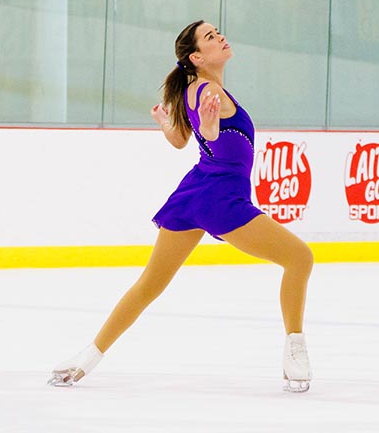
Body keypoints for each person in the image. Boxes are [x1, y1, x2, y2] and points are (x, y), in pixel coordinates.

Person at [48, 20, 314, 392]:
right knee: (300, 259)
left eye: (217, 32)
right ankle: (294, 353)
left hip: (195, 193)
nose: (220, 37)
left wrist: (165, 123)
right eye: (210, 37)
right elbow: (210, 135)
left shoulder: (196, 89)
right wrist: (208, 130)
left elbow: (180, 140)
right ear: (197, 57)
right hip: (221, 198)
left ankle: (86, 358)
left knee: (148, 285)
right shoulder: (208, 93)